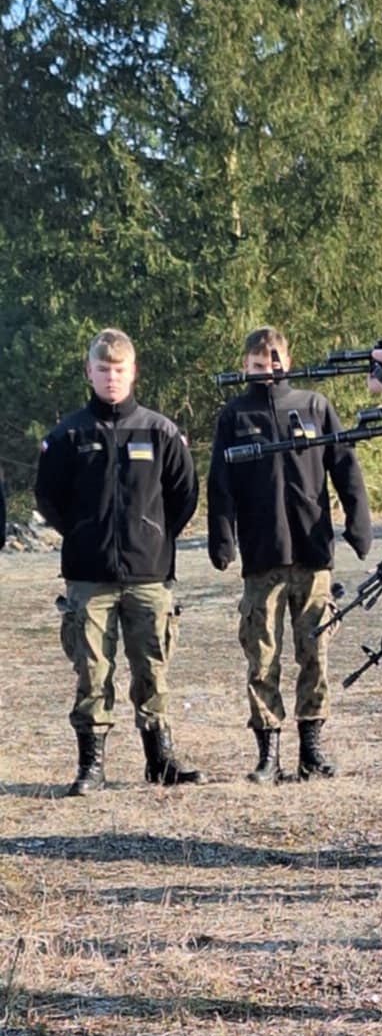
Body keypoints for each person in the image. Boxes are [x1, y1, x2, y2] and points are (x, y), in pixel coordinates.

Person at [35, 328, 202, 794]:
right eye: (104, 369)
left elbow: (184, 495)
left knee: (152, 668)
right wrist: (84, 532)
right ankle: (92, 767)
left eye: (120, 369)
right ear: (89, 372)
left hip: (149, 573)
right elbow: (49, 498)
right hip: (89, 575)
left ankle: (160, 760)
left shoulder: (161, 431)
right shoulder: (68, 435)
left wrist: (153, 535)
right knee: (92, 671)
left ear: (133, 372)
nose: (112, 378)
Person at [208, 326, 373, 783]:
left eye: (274, 361)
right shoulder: (234, 417)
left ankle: (311, 751)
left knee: (315, 653)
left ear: (288, 359)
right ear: (245, 366)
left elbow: (345, 468)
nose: (267, 371)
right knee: (262, 657)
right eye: (257, 364)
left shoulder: (314, 406)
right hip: (262, 558)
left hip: (312, 553)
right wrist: (221, 539)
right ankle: (268, 755)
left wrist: (358, 526)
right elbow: (219, 487)